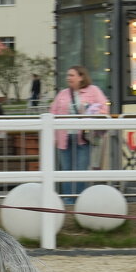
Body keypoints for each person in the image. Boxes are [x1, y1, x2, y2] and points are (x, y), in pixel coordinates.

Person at [49, 65, 110, 196]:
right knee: (66, 170)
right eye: (67, 75)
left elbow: (104, 109)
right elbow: (52, 112)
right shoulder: (63, 93)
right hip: (64, 138)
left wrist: (90, 111)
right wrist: (53, 136)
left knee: (81, 169)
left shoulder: (93, 91)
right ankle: (68, 199)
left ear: (81, 77)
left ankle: (79, 198)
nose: (68, 78)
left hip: (83, 137)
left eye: (71, 75)